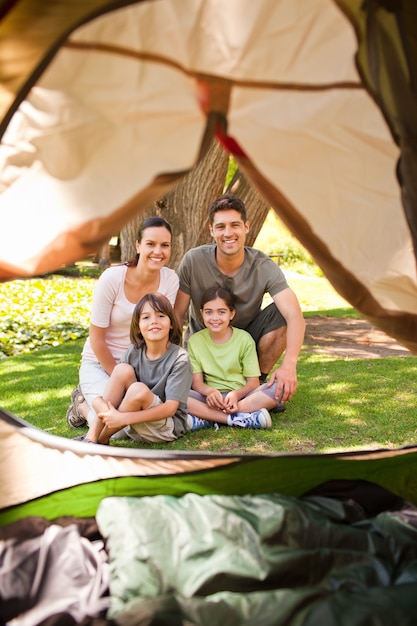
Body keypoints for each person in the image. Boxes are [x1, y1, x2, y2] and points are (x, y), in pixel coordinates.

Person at [174, 194, 306, 405]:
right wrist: (172, 366)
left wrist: (289, 364)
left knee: (283, 312)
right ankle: (223, 395)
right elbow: (175, 316)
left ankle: (256, 383)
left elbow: (295, 316)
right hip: (203, 347)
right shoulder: (193, 261)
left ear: (246, 226)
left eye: (235, 225)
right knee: (179, 397)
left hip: (245, 345)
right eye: (221, 226)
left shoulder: (263, 266)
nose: (228, 233)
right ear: (211, 230)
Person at [66, 216, 179, 429]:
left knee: (129, 424)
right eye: (151, 244)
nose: (158, 251)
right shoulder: (112, 278)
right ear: (138, 246)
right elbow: (96, 339)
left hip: (139, 367)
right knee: (117, 428)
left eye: (165, 245)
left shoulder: (170, 280)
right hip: (100, 364)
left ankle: (88, 406)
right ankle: (81, 403)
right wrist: (118, 380)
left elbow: (160, 333)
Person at [76, 293, 192, 445]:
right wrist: (103, 405)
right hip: (135, 422)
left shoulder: (180, 358)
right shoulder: (134, 352)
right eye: (146, 317)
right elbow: (120, 392)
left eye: (161, 316)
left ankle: (102, 439)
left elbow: (170, 408)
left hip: (165, 427)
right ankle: (91, 438)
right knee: (122, 370)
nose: (154, 322)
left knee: (135, 390)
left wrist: (122, 418)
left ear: (171, 323)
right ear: (138, 327)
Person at [186, 286, 285, 431]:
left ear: (232, 314)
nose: (215, 318)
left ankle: (207, 417)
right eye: (208, 312)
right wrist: (209, 392)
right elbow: (197, 383)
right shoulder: (195, 341)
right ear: (201, 313)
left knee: (279, 388)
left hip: (243, 397)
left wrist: (235, 394)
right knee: (176, 393)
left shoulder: (244, 339)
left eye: (221, 312)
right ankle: (241, 417)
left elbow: (253, 383)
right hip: (210, 398)